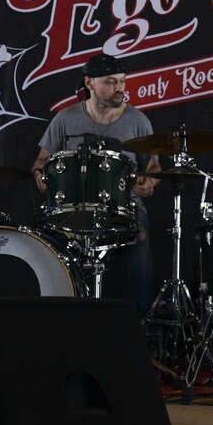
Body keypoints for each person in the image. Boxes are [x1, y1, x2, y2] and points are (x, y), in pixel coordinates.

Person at [31, 53, 160, 317]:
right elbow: (41, 161)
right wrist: (40, 175)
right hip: (72, 207)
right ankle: (61, 320)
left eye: (122, 81)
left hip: (125, 208)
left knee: (142, 245)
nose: (119, 88)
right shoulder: (65, 118)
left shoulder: (137, 120)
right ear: (89, 83)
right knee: (48, 246)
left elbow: (154, 166)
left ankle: (144, 325)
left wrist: (148, 182)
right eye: (111, 82)